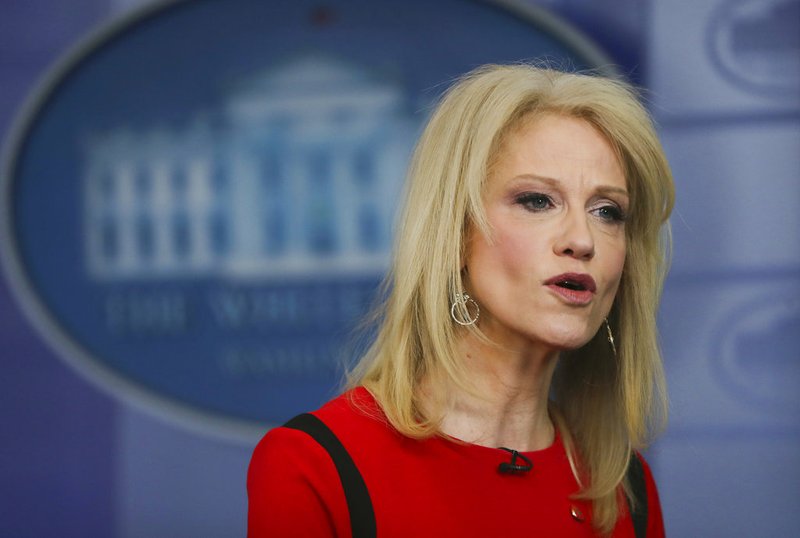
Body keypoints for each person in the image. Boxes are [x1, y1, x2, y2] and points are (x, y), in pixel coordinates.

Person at [247, 63, 674, 537]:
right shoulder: (318, 466)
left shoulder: (624, 487)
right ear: (454, 235)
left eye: (607, 211)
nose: (582, 239)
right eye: (537, 201)